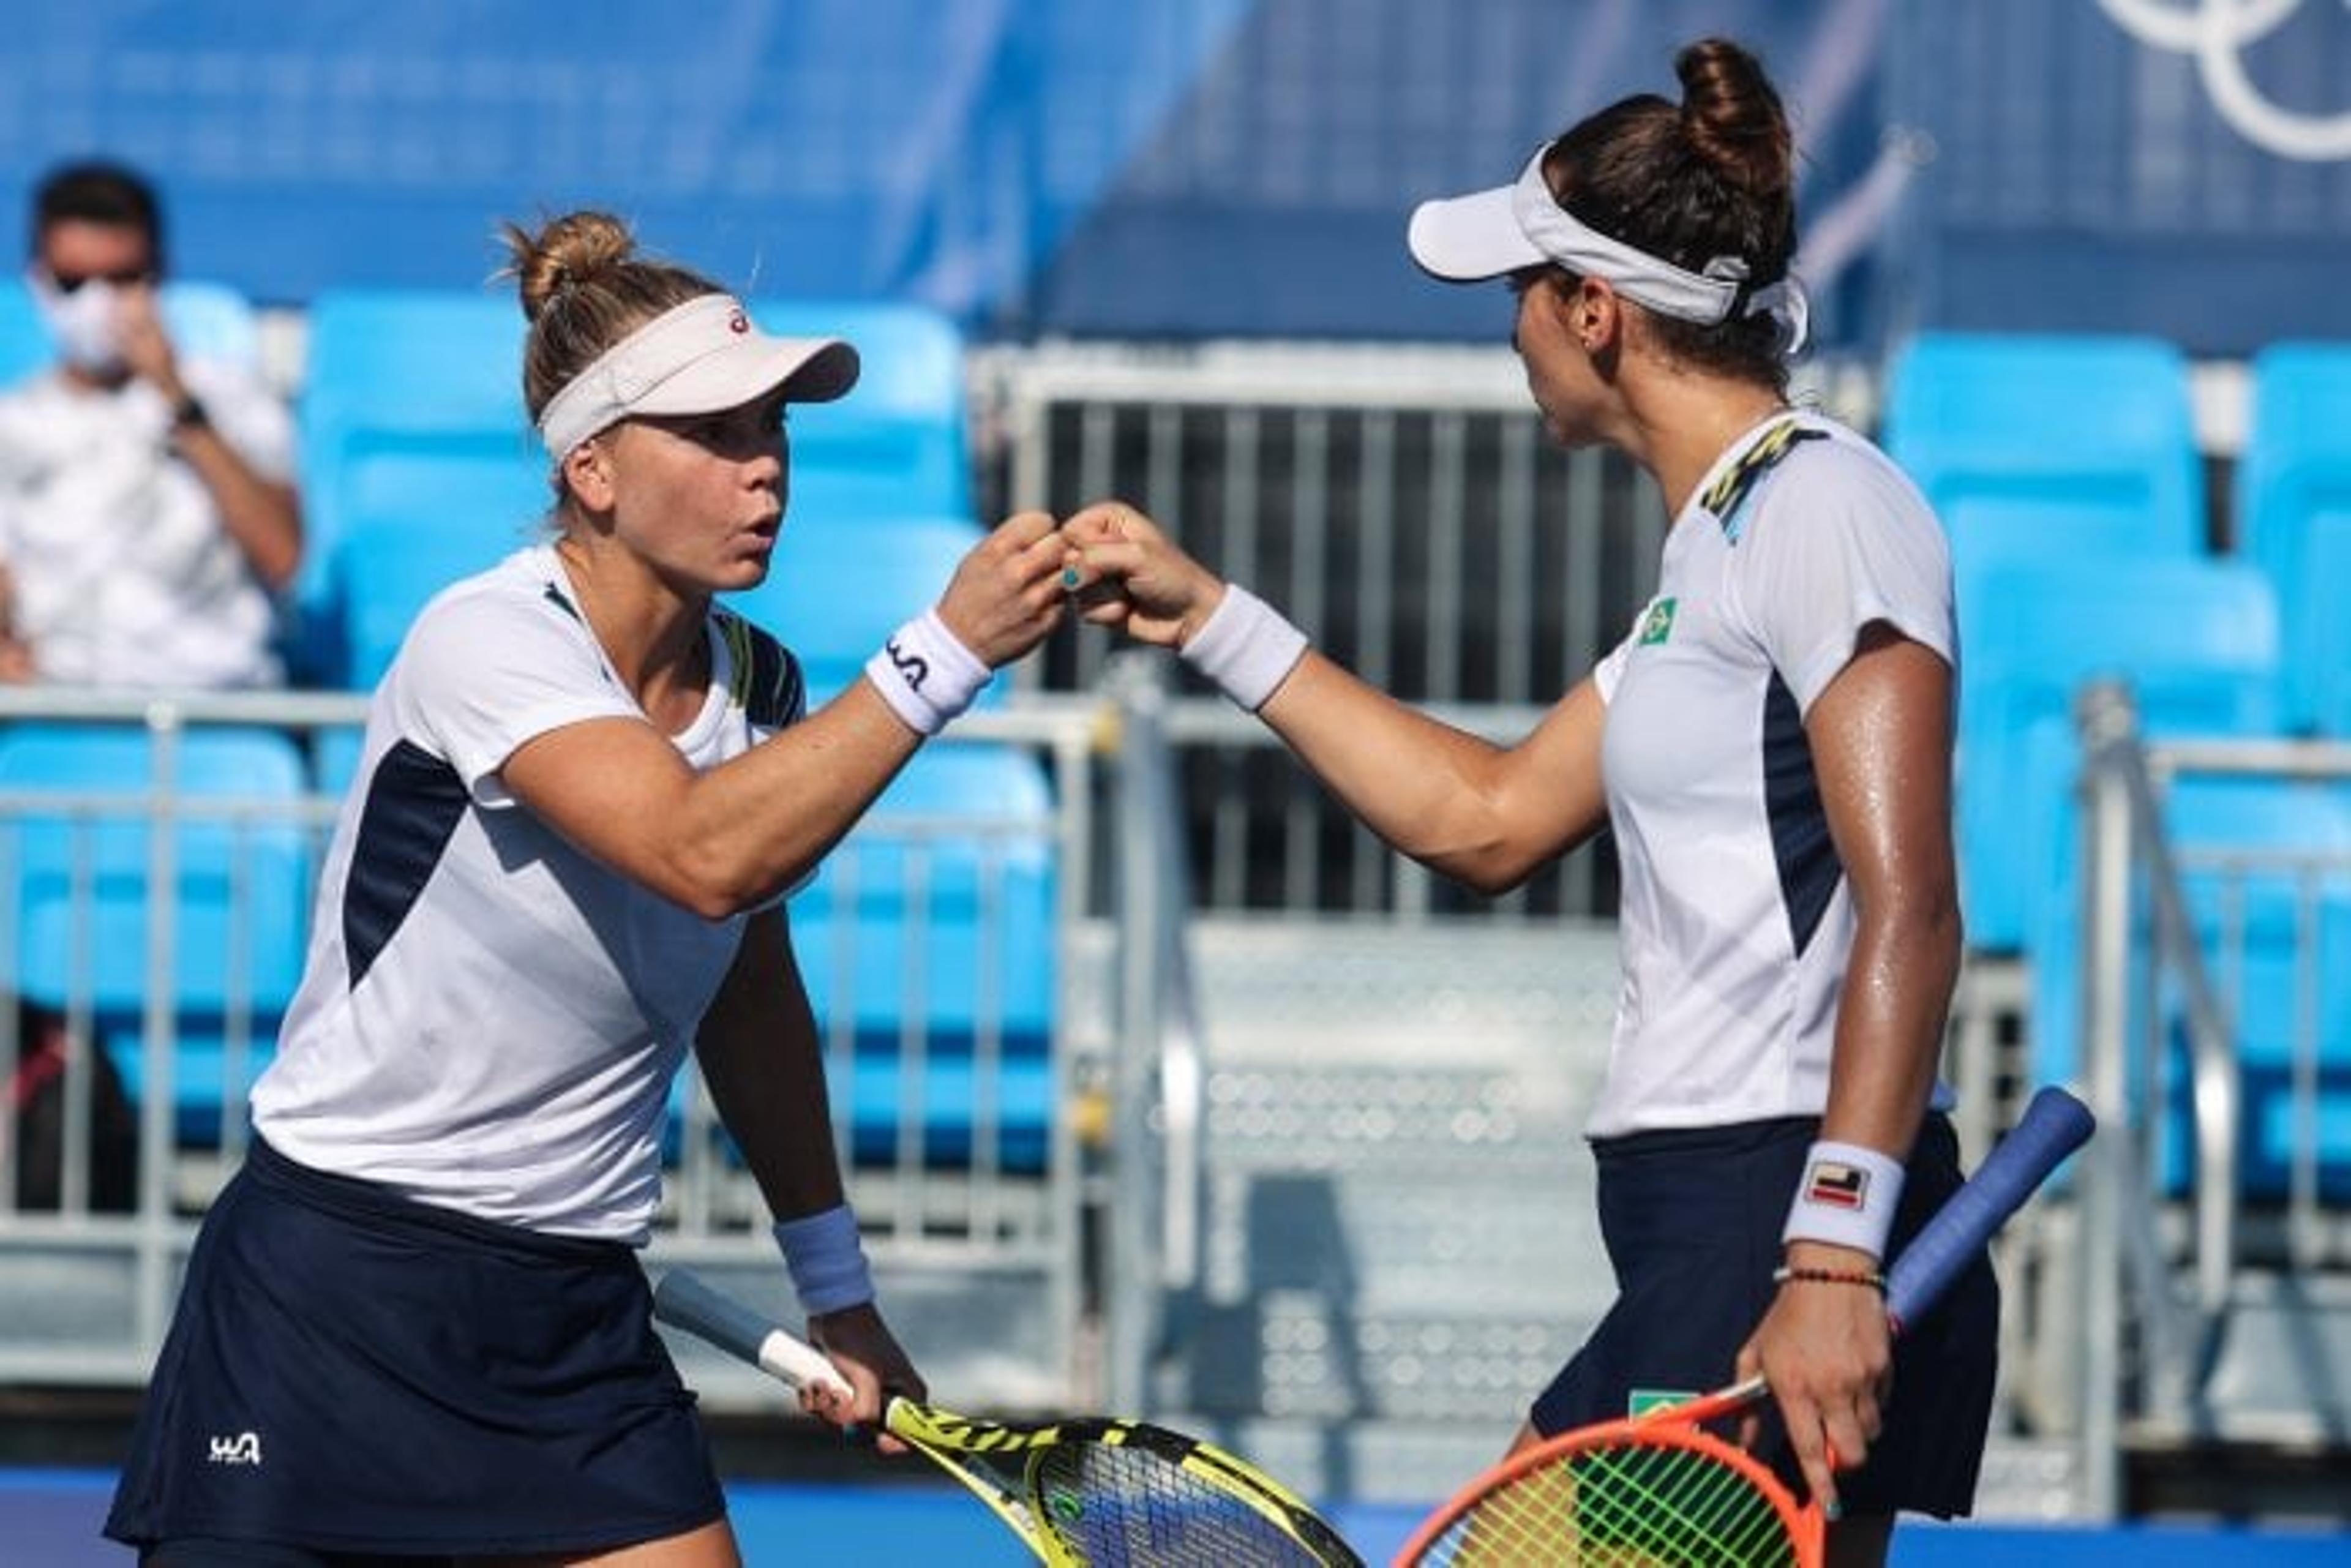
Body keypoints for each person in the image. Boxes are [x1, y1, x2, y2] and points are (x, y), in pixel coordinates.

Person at [1062, 37, 1995, 1567]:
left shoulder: (1826, 504)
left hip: (1777, 1210)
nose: (1506, 332)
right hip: (1713, 1217)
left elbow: (1915, 902)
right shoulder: (1717, 550)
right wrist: (1212, 616)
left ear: (1593, 311)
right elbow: (1483, 816)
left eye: (1516, 293)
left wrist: (1830, 1241)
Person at [104, 210, 1072, 1565]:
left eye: (774, 429)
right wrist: (945, 652)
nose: (765, 470)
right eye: (719, 433)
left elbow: (747, 980)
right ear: (595, 469)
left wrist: (836, 1287)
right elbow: (700, 850)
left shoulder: (766, 682)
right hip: (334, 1293)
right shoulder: (485, 637)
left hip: (575, 1315)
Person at [0, 159, 301, 688]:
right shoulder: (13, 422)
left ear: (157, 276)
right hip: (58, 705)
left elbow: (283, 555)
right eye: (73, 283)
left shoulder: (232, 399)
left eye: (120, 280)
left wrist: (179, 402)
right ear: (39, 282)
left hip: (213, 703)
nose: (96, 303)